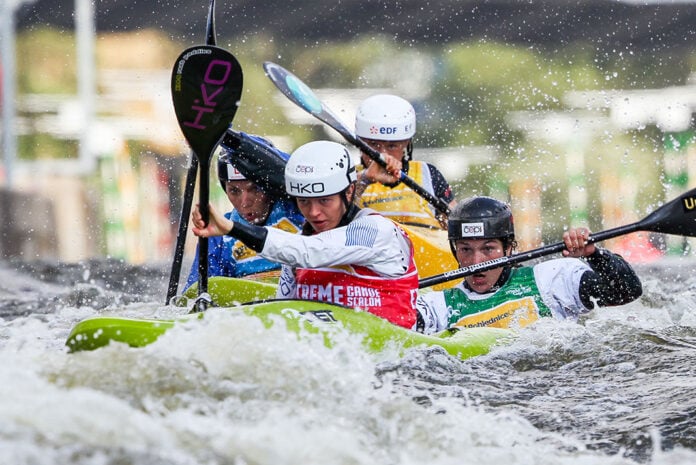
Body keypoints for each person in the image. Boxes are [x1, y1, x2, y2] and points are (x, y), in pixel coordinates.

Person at [191, 140, 420, 329]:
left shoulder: (377, 231)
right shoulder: (300, 246)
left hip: (394, 358)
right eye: (303, 202)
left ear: (350, 191)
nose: (314, 212)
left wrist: (232, 228)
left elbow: (309, 252)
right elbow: (281, 311)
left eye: (324, 200)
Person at [416, 196, 643, 333]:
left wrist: (595, 255)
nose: (476, 263)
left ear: (509, 248)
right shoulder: (439, 305)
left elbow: (626, 291)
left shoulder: (550, 279)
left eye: (488, 249)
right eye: (466, 249)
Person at [184, 147, 304, 289]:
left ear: (271, 186)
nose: (245, 202)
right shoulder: (218, 235)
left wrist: (230, 139)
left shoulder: (300, 209)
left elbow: (292, 170)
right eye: (234, 191)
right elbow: (194, 293)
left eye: (255, 189)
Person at [354, 94, 456, 229]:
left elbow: (454, 225)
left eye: (392, 146)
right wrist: (366, 179)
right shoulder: (349, 178)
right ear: (360, 143)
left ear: (406, 144)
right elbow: (336, 222)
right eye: (373, 144)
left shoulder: (428, 174)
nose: (382, 154)